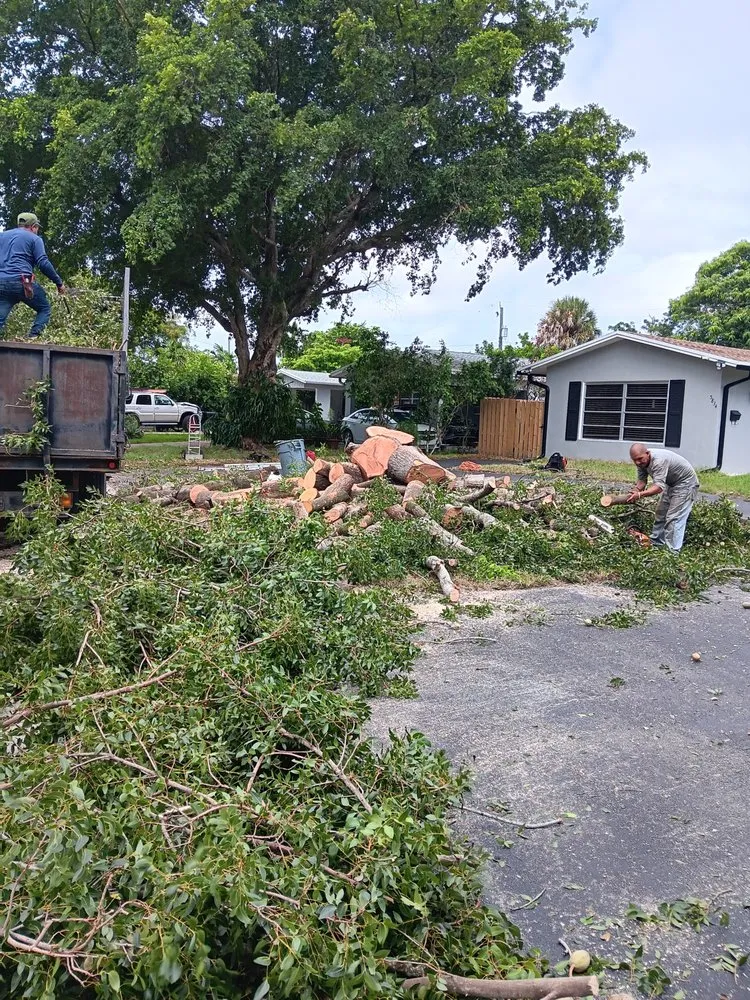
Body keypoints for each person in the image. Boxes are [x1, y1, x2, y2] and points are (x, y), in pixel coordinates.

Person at [0, 212, 66, 338]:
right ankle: (33, 338)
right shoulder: (34, 239)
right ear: (33, 226)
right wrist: (59, 283)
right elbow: (43, 263)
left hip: (1, 284)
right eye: (37, 228)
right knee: (44, 308)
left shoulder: (2, 236)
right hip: (22, 283)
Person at [627, 443, 699, 552]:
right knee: (661, 513)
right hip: (671, 484)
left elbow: (658, 488)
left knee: (674, 518)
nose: (638, 462)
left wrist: (640, 495)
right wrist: (636, 491)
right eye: (635, 460)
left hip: (686, 484)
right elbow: (642, 481)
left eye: (640, 459)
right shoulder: (642, 463)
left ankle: (673, 553)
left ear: (647, 453)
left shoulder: (659, 461)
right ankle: (657, 545)